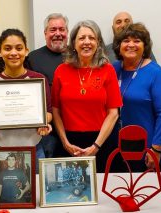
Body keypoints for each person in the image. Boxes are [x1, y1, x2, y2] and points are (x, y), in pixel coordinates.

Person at [0, 29, 52, 173]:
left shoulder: (39, 80)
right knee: (2, 194)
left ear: (26, 51)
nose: (13, 53)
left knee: (36, 193)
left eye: (19, 48)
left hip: (34, 149)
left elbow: (48, 113)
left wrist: (44, 122)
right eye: (7, 48)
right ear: (0, 52)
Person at [52, 20, 122, 173]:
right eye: (82, 38)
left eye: (91, 38)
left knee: (102, 193)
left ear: (98, 43)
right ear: (74, 43)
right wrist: (65, 142)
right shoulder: (61, 70)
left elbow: (113, 113)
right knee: (69, 193)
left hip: (101, 142)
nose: (87, 42)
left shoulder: (108, 70)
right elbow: (55, 110)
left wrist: (95, 146)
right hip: (69, 143)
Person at [112, 23, 161, 172]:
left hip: (146, 147)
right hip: (116, 145)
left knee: (145, 191)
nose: (131, 45)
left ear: (145, 46)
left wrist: (157, 149)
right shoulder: (113, 69)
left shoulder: (156, 73)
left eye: (137, 41)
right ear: (118, 46)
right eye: (126, 41)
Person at [27, 13, 69, 158]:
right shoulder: (32, 58)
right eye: (53, 30)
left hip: (72, 127)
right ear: (45, 33)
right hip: (46, 130)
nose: (58, 33)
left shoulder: (77, 56)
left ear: (67, 32)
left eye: (61, 29)